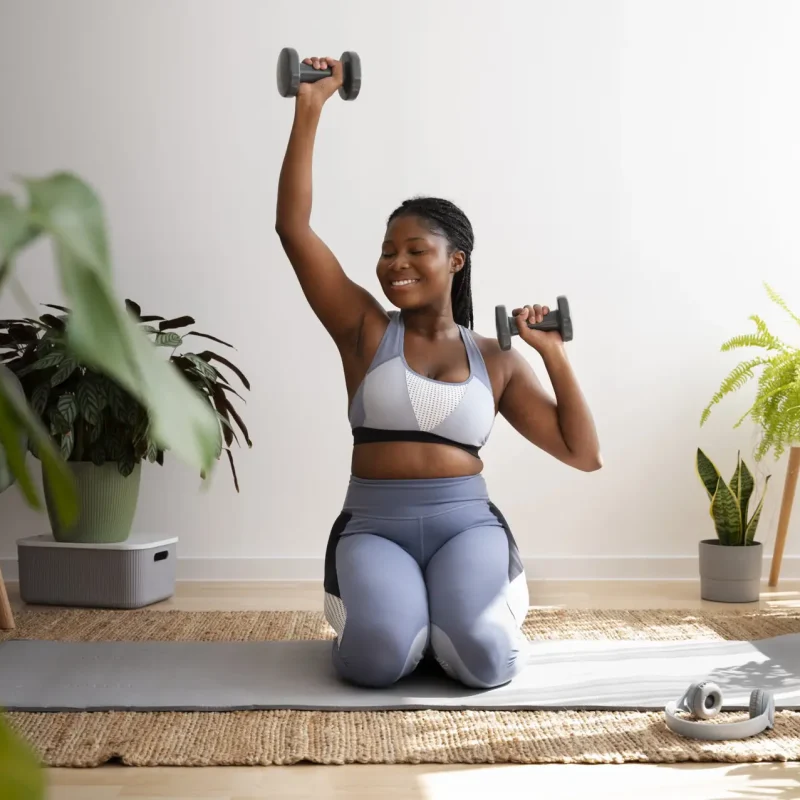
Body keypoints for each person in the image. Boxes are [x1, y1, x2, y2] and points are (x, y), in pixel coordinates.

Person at [276, 56, 602, 690]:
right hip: (374, 526)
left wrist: (552, 354)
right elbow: (293, 229)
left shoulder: (497, 358)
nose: (394, 263)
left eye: (414, 250)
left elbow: (583, 453)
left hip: (466, 526)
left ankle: (463, 614)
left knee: (487, 662)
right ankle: (397, 620)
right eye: (387, 250)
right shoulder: (366, 332)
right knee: (376, 660)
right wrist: (310, 108)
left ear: (456, 260)